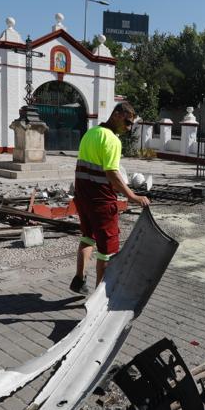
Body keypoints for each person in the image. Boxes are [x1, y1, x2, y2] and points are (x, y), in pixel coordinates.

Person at [69, 101, 150, 295]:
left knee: (87, 237)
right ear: (117, 115)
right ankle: (99, 298)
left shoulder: (91, 133)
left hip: (83, 196)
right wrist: (132, 196)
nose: (129, 128)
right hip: (102, 201)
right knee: (107, 251)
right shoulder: (112, 140)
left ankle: (79, 280)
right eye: (128, 122)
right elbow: (113, 174)